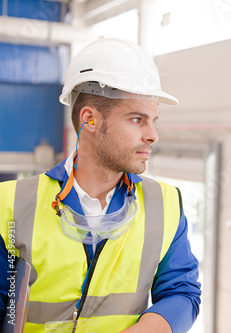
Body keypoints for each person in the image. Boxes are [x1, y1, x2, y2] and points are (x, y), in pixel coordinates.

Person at [0, 38, 201, 333]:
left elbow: (182, 293)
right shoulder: (11, 204)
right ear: (90, 119)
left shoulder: (165, 204)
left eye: (153, 120)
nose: (153, 135)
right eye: (137, 119)